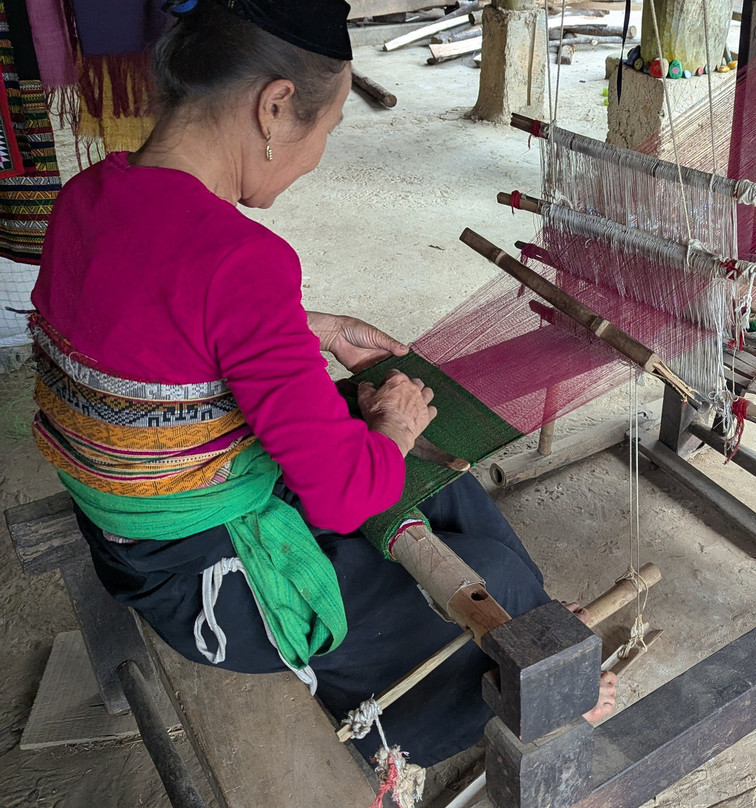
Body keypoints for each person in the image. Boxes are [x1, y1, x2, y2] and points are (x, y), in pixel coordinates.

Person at [29, 0, 614, 767]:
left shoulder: (89, 194)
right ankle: (492, 695)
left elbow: (153, 327)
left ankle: (533, 628)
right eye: (328, 129)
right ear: (274, 107)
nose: (316, 157)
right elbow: (345, 497)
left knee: (434, 469)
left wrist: (311, 330)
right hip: (207, 584)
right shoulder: (240, 261)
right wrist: (392, 428)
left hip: (132, 537)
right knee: (480, 561)